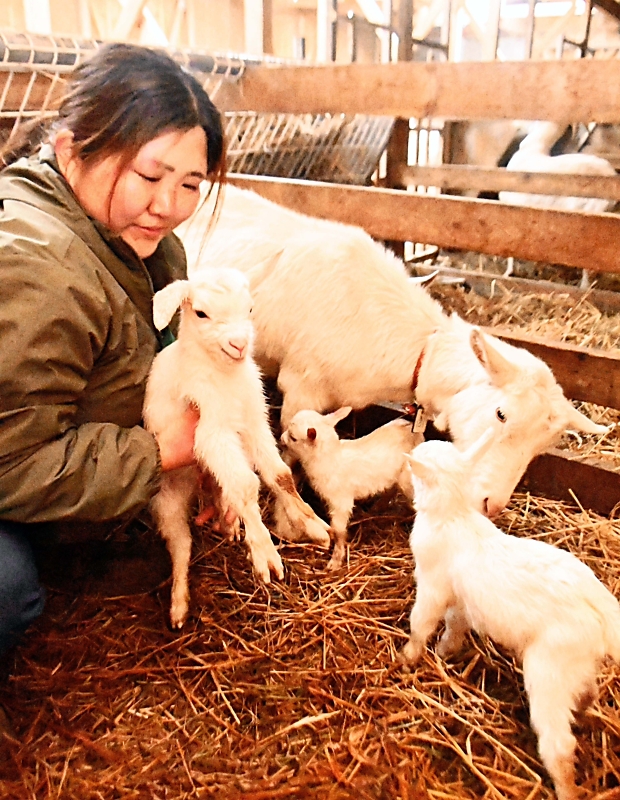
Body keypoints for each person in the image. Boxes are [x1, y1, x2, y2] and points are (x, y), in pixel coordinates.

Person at [0, 42, 226, 657]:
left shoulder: (148, 244)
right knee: (7, 589)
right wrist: (158, 452)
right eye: (149, 176)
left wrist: (205, 457)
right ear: (72, 150)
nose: (167, 206)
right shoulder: (37, 266)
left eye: (190, 184)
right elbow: (9, 463)